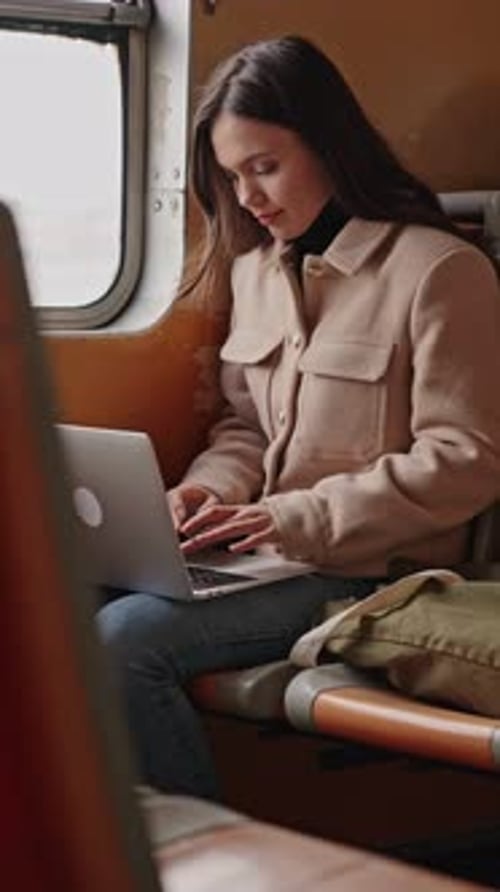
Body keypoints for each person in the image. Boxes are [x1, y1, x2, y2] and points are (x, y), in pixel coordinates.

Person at [98, 35, 500, 800]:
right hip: (267, 553)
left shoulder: (441, 271)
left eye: (264, 166)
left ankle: (191, 868)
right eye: (230, 176)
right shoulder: (256, 273)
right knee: (68, 604)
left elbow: (467, 457)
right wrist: (205, 494)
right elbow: (244, 428)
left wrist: (291, 519)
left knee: (126, 645)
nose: (247, 197)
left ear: (329, 145)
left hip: (374, 570)